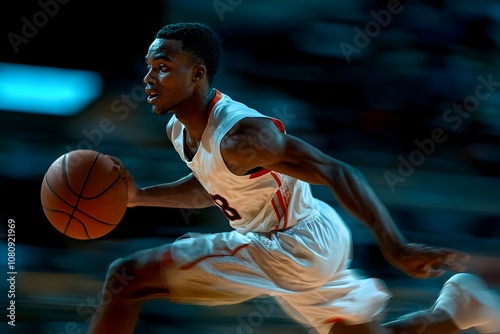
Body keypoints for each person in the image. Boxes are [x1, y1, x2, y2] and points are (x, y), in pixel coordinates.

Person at [87, 22, 500, 334]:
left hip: (291, 242)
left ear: (197, 75)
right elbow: (212, 188)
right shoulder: (178, 130)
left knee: (127, 278)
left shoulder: (244, 135)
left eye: (163, 67)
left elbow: (337, 170)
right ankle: (458, 307)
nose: (148, 78)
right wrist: (138, 197)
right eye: (148, 67)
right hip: (303, 237)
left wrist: (395, 245)